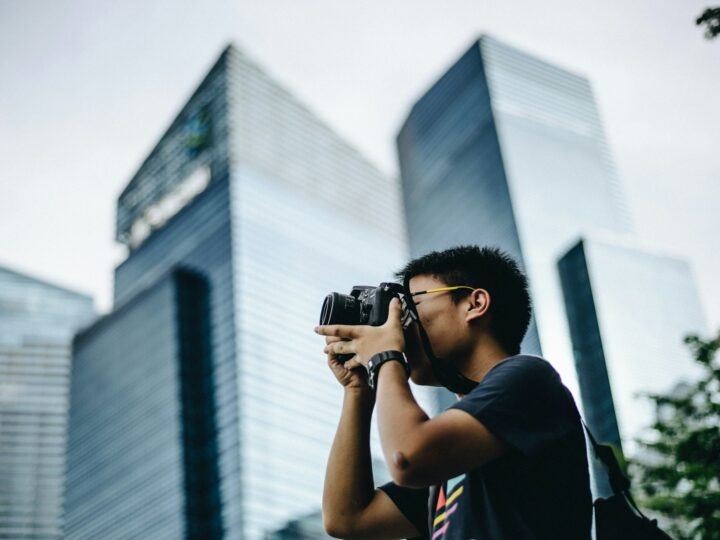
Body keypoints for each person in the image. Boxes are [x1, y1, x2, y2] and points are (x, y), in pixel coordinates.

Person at [315, 245, 592, 540]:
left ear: (474, 303)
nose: (401, 325)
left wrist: (384, 357)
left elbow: (406, 457)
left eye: (410, 306)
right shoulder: (448, 452)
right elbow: (347, 519)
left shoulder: (529, 379)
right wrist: (358, 390)